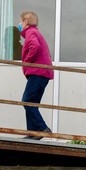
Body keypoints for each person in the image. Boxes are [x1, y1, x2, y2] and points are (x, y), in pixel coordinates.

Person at [18, 11, 54, 140]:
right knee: (32, 103)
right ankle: (33, 132)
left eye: (21, 21)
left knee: (27, 101)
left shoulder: (30, 32)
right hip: (42, 73)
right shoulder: (35, 32)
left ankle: (42, 128)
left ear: (26, 22)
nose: (20, 24)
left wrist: (27, 62)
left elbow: (35, 46)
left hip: (38, 72)